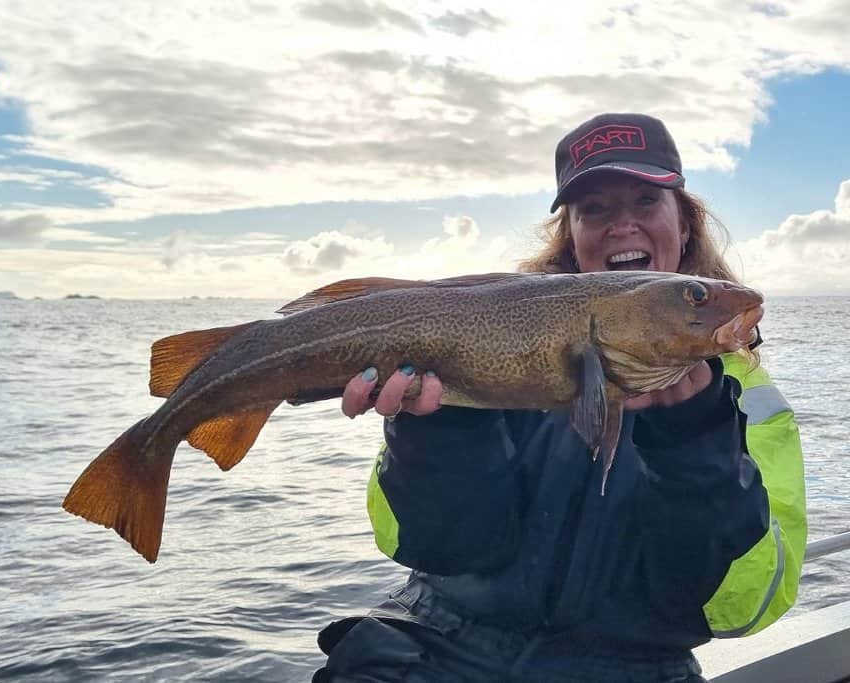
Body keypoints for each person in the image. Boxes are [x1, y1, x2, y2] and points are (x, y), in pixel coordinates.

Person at [312, 113, 807, 682]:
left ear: (685, 225)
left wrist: (697, 446)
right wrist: (439, 428)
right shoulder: (502, 338)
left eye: (646, 202)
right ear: (570, 235)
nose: (622, 225)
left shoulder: (747, 403)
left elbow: (747, 607)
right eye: (593, 210)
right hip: (435, 648)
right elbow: (425, 546)